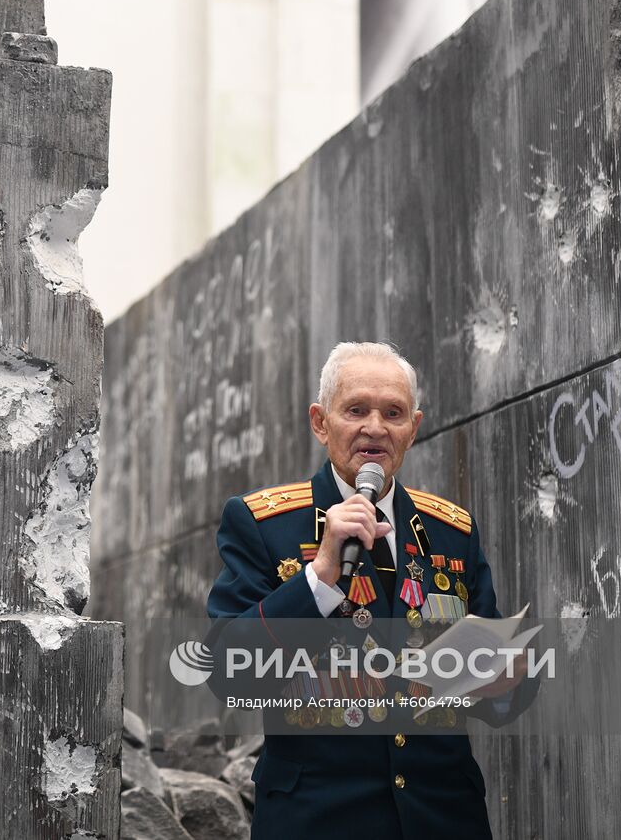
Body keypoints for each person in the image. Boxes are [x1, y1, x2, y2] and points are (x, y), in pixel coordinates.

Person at [206, 341, 530, 839]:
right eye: (356, 409)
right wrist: (320, 578)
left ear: (413, 429)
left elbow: (501, 696)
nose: (375, 428)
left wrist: (507, 679)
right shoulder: (263, 524)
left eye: (393, 413)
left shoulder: (452, 532)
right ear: (321, 422)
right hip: (318, 820)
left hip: (443, 819)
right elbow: (229, 675)